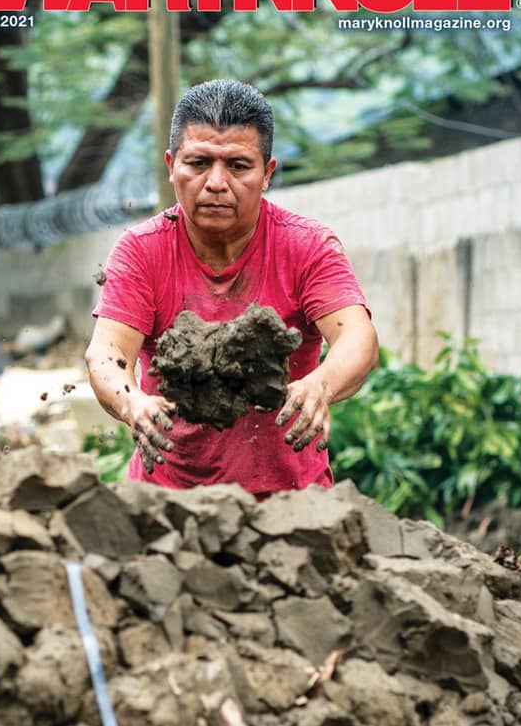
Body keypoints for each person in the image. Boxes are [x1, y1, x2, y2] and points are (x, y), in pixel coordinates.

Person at [86, 79, 378, 497]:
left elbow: (357, 336)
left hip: (294, 506)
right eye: (198, 163)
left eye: (238, 166)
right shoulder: (142, 251)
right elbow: (107, 353)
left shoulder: (306, 245)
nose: (216, 183)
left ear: (267, 173)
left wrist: (320, 385)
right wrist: (133, 402)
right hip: (168, 506)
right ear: (171, 166)